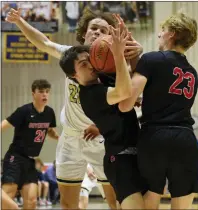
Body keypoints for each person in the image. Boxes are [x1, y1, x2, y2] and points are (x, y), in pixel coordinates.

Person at [6, 8, 143, 209]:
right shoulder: (71, 55)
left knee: (114, 201)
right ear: (84, 33)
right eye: (93, 28)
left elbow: (130, 97)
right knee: (68, 203)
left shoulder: (114, 67)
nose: (97, 32)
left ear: (110, 38)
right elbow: (43, 42)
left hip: (101, 141)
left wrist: (134, 54)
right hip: (71, 139)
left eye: (103, 30)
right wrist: (19, 21)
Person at [59, 15, 146, 209]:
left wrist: (132, 49)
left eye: (89, 62)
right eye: (83, 64)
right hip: (119, 156)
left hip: (135, 152)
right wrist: (119, 54)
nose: (89, 65)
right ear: (73, 75)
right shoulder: (91, 94)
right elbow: (125, 91)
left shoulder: (105, 79)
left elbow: (132, 83)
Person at [118, 12, 198, 209]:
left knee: (149, 201)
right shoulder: (192, 72)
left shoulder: (152, 59)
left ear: (171, 34)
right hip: (186, 139)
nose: (159, 35)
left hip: (155, 137)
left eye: (162, 31)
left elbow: (125, 104)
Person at [1, 79, 59, 209]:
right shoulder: (24, 111)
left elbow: (49, 130)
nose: (45, 95)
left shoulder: (49, 113)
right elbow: (3, 126)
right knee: (8, 196)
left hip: (31, 161)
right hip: (15, 157)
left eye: (47, 92)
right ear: (33, 93)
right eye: (41, 92)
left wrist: (59, 138)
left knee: (32, 201)